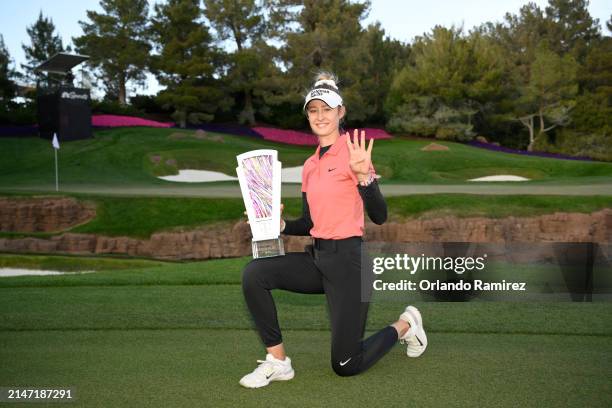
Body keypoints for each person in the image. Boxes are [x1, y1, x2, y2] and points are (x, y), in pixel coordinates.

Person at [239, 72, 428, 389]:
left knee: (346, 365)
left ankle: (406, 324)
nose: (320, 116)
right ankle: (278, 361)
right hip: (319, 259)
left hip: (350, 265)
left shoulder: (353, 153)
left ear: (341, 112)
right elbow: (310, 224)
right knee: (254, 274)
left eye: (326, 109)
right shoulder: (310, 165)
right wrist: (278, 225)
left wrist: (364, 176)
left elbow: (380, 216)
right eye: (313, 110)